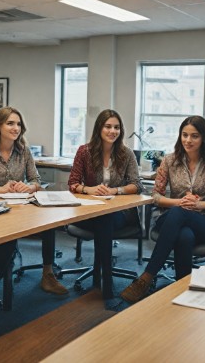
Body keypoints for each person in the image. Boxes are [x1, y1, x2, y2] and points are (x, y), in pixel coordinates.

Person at [0, 107, 68, 324]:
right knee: (7, 244)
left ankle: (48, 275)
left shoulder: (23, 149)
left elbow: (37, 180)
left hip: (19, 208)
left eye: (18, 124)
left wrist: (28, 187)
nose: (15, 128)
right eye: (10, 123)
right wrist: (0, 190)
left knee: (48, 220)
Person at [121, 115, 205, 304]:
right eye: (184, 135)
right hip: (171, 216)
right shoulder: (170, 160)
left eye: (194, 136)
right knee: (184, 233)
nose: (188, 140)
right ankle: (183, 288)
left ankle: (147, 277)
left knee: (184, 225)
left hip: (203, 221)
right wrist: (179, 203)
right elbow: (155, 196)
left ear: (204, 137)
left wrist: (200, 205)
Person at [68, 109, 143, 300]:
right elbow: (73, 184)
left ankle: (102, 281)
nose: (112, 131)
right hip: (89, 212)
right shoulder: (84, 151)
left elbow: (137, 185)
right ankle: (106, 283)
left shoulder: (126, 154)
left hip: (117, 213)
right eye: (108, 126)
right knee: (102, 219)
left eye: (116, 127)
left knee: (106, 218)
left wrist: (115, 191)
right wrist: (89, 190)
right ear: (99, 128)